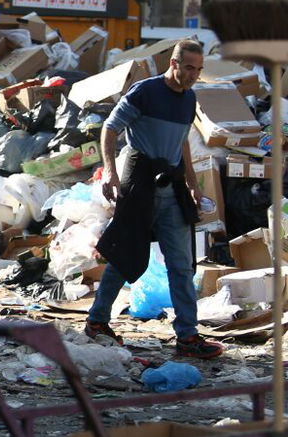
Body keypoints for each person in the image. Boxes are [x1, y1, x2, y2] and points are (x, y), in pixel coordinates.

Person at [85, 39, 223, 358]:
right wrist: (110, 173)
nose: (193, 75)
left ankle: (188, 336)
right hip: (140, 185)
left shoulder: (189, 100)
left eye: (198, 70)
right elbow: (110, 128)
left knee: (181, 264)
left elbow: (183, 142)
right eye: (189, 68)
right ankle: (97, 321)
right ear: (173, 64)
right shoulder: (145, 92)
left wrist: (192, 184)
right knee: (125, 256)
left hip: (171, 188)